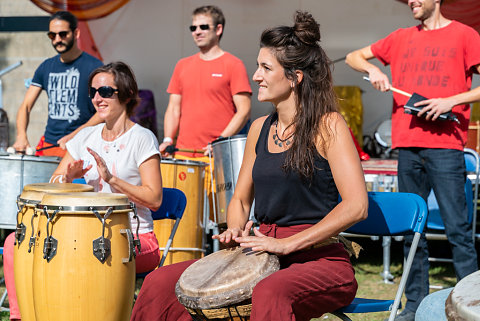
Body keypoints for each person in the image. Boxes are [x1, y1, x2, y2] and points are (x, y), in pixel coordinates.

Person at [131, 11, 368, 321]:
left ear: (295, 77)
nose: (256, 75)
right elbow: (241, 199)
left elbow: (357, 206)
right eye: (258, 66)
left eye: (265, 68)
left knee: (269, 291)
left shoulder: (329, 125)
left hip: (320, 259)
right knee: (160, 281)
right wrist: (235, 227)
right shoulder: (259, 128)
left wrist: (288, 244)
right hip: (262, 251)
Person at [345, 0, 480, 320]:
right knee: (412, 230)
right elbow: (354, 57)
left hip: (447, 146)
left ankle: (469, 305)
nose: (411, 2)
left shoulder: (465, 35)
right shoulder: (400, 37)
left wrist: (451, 100)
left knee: (457, 231)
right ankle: (414, 304)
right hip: (407, 146)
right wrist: (373, 68)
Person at [4, 62, 162, 321]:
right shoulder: (86, 136)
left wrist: (113, 180)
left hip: (135, 237)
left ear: (125, 93)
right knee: (13, 243)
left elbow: (155, 199)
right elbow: (54, 181)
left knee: (80, 255)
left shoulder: (142, 138)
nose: (98, 98)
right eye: (93, 92)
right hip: (82, 235)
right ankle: (22, 318)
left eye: (105, 91)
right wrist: (67, 177)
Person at [159, 5, 252, 222]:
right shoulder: (182, 65)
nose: (197, 31)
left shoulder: (233, 64)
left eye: (203, 27)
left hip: (216, 159)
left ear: (218, 29)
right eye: (193, 27)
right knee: (184, 221)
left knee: (220, 221)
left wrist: (219, 142)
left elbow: (244, 110)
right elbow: (173, 108)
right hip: (183, 156)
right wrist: (167, 139)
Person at [12, 11, 103, 157]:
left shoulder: (95, 67)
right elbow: (26, 106)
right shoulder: (45, 67)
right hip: (49, 145)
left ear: (76, 33)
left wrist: (76, 135)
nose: (57, 39)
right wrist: (21, 136)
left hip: (83, 146)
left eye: (63, 34)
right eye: (52, 35)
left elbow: (104, 111)